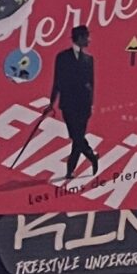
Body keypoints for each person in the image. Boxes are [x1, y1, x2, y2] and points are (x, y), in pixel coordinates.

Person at [51, 26, 97, 180]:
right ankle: (90, 155)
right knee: (76, 136)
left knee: (78, 138)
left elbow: (91, 84)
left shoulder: (89, 60)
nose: (89, 40)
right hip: (68, 104)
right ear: (80, 38)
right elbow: (57, 81)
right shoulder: (62, 57)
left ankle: (70, 170)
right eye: (87, 37)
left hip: (83, 106)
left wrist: (91, 104)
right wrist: (51, 102)